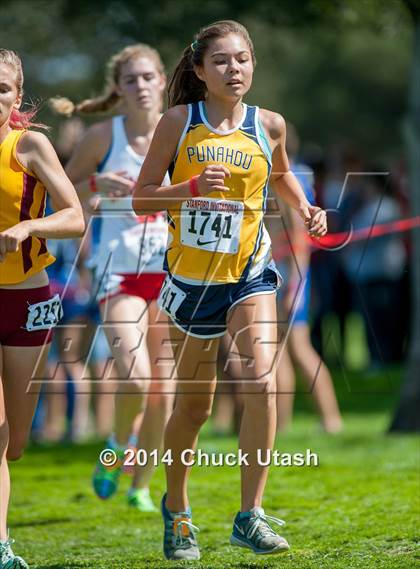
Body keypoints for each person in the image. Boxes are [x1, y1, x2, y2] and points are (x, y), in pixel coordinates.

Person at [133, 20, 327, 560]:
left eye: (241, 59)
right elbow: (143, 199)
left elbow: (282, 174)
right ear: (199, 70)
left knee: (262, 380)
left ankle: (250, 515)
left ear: (253, 64)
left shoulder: (270, 124)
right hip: (194, 282)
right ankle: (178, 511)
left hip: (250, 269)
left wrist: (304, 207)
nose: (233, 69)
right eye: (221, 61)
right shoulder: (178, 122)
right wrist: (190, 189)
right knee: (194, 409)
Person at [51, 43, 175, 512]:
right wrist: (95, 186)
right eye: (131, 80)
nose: (141, 87)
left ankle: (140, 487)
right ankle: (114, 451)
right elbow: (62, 191)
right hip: (119, 274)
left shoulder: (181, 133)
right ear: (118, 89)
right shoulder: (104, 137)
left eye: (148, 77)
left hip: (170, 276)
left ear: (162, 80)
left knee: (164, 394)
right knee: (137, 380)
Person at [0, 49, 84, 568]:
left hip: (28, 296)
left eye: (1, 89)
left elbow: (75, 216)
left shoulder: (30, 145)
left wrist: (30, 226)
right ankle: (2, 545)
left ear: (17, 93)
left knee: (16, 441)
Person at [271, 124, 342, 433]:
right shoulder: (288, 177)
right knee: (278, 350)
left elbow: (299, 239)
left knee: (296, 348)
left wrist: (295, 287)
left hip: (289, 273)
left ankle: (330, 420)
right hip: (281, 271)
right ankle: (282, 424)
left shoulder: (289, 180)